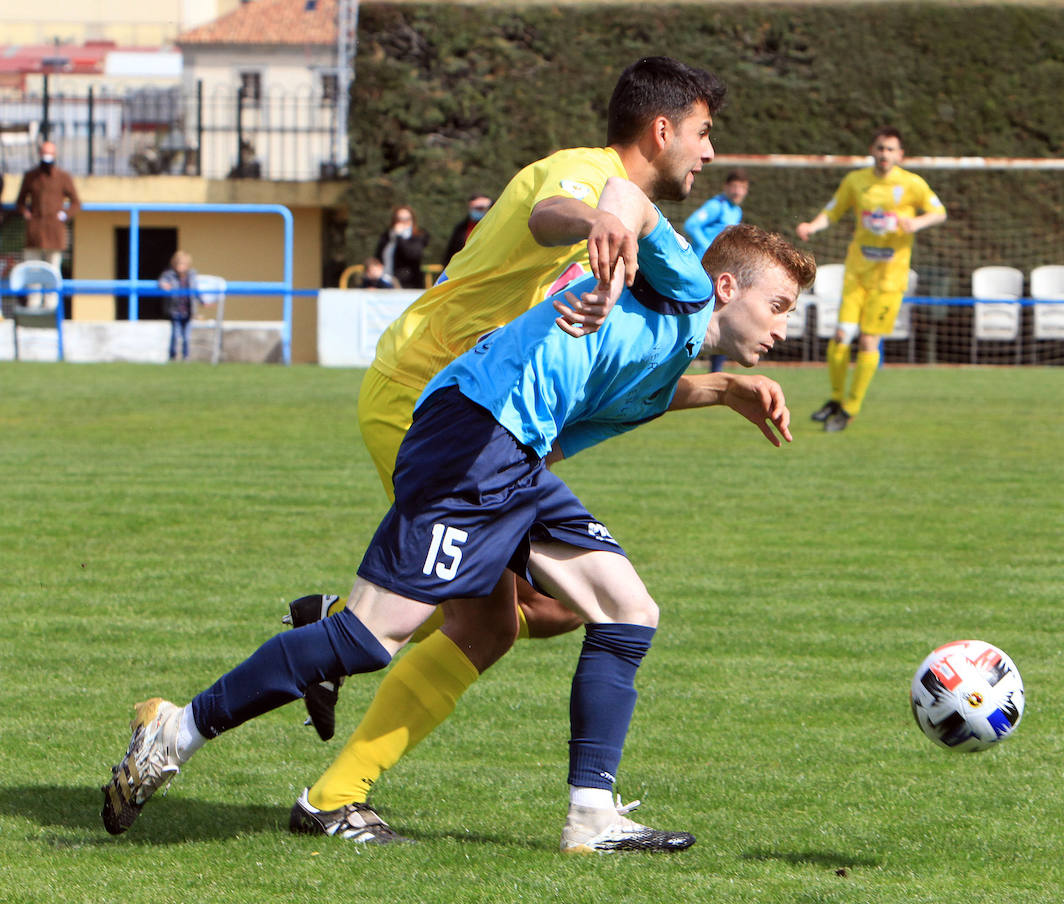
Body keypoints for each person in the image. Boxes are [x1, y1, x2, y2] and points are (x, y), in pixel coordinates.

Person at [100, 179, 815, 855]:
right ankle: (176, 729)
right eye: (780, 305)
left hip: (515, 459)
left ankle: (592, 817)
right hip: (475, 433)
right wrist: (611, 236)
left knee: (627, 609)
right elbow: (625, 195)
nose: (785, 326)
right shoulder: (687, 285)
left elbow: (611, 407)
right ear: (727, 287)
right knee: (370, 638)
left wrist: (722, 391)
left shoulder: (666, 360)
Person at [267, 56, 726, 835]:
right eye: (704, 132)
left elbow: (602, 370)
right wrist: (599, 222)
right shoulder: (585, 174)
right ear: (662, 129)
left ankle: (334, 638)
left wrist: (713, 390)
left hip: (474, 415)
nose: (710, 152)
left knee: (541, 614)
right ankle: (331, 774)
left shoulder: (630, 216)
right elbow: (553, 211)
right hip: (424, 399)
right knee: (497, 621)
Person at [796, 128, 945, 431]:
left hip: (889, 279)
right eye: (880, 148)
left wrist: (915, 222)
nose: (885, 154)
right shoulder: (856, 181)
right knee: (840, 337)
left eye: (891, 149)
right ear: (872, 150)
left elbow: (938, 212)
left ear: (900, 155)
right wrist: (813, 226)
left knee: (867, 340)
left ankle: (850, 409)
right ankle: (835, 399)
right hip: (857, 274)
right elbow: (833, 211)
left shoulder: (911, 184)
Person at [685, 170, 749, 372]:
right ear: (726, 187)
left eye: (742, 187)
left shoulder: (736, 211)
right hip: (702, 269)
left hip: (719, 270)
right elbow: (691, 225)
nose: (738, 191)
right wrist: (709, 247)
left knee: (723, 313)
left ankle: (716, 370)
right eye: (735, 186)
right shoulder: (717, 206)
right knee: (699, 315)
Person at [15, 140, 80, 308]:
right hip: (35, 230)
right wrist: (26, 214)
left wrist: (64, 215)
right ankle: (33, 303)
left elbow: (75, 202)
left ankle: (51, 305)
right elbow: (20, 202)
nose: (47, 157)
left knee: (53, 270)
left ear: (55, 155)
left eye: (50, 153)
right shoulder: (31, 176)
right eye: (45, 153)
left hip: (54, 230)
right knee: (33, 270)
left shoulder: (63, 177)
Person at [374, 205, 430, 289]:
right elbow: (379, 256)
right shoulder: (387, 236)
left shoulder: (419, 235)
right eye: (399, 219)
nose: (403, 222)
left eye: (407, 219)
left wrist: (399, 237)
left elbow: (412, 254)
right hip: (385, 282)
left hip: (408, 284)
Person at [157, 250, 199, 361]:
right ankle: (173, 356)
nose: (181, 266)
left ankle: (186, 357)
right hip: (175, 310)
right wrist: (163, 285)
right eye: (178, 264)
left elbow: (196, 292)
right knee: (175, 335)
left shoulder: (192, 275)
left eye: (183, 264)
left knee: (187, 337)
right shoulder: (169, 275)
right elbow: (161, 281)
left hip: (188, 311)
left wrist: (203, 302)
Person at [443, 192, 493, 262]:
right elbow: (451, 253)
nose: (482, 211)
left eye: (485, 208)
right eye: (478, 208)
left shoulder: (496, 227)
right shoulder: (461, 229)